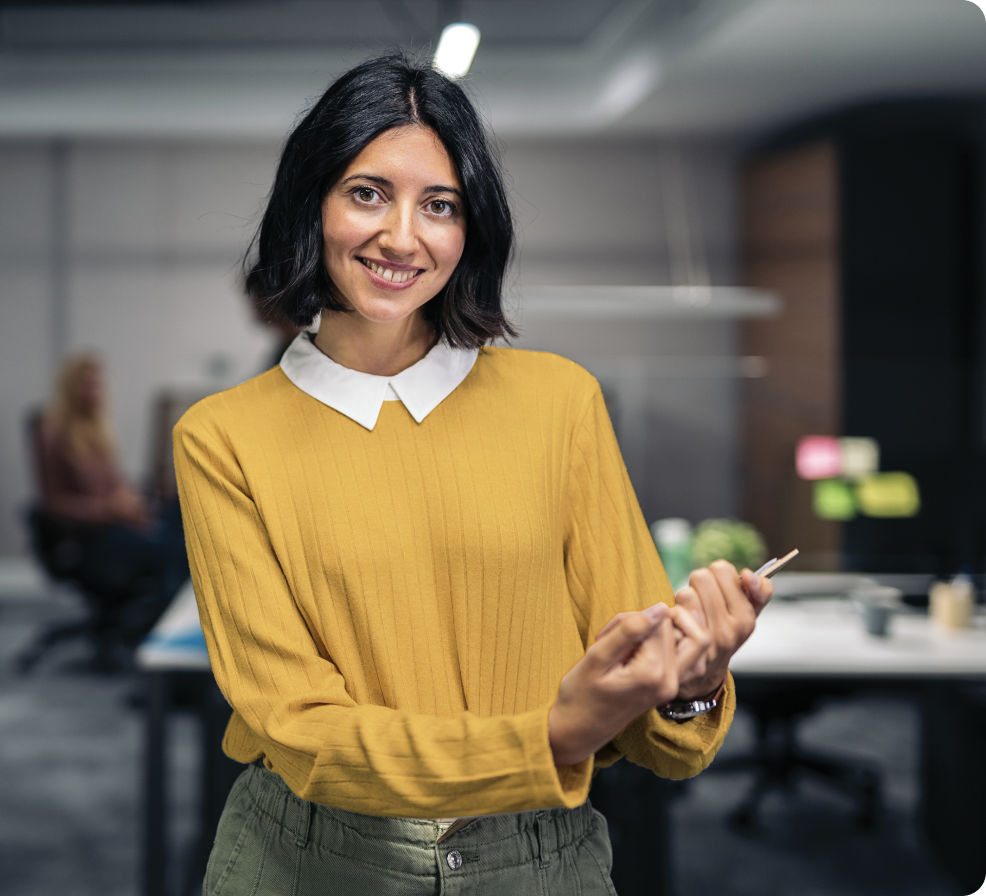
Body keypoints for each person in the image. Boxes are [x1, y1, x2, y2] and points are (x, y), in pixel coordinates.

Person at [173, 53, 773, 895]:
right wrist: (553, 735)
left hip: (541, 862)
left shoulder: (560, 402)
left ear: (471, 228)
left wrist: (693, 684)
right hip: (312, 861)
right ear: (313, 201)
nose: (402, 237)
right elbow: (301, 733)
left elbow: (657, 728)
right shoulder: (223, 437)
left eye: (440, 205)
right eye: (368, 192)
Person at [39, 353, 188, 646]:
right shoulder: (53, 432)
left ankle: (161, 626)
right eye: (86, 384)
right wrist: (110, 510)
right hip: (91, 538)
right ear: (69, 388)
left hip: (119, 524)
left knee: (182, 517)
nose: (94, 391)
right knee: (176, 552)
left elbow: (117, 486)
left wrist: (133, 505)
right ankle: (155, 634)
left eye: (98, 385)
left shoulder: (97, 430)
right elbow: (53, 503)